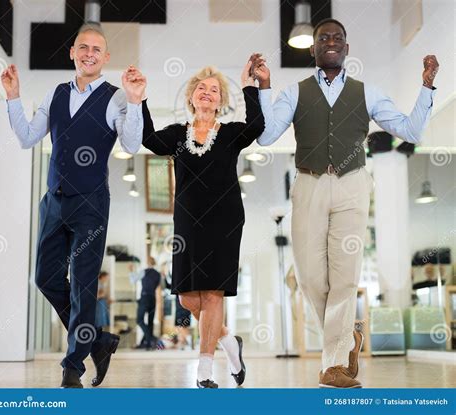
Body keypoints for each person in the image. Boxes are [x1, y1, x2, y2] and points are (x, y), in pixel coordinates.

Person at [251, 19, 439, 388]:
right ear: (314, 49)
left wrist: (427, 86)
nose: (331, 42)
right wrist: (265, 88)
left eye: (338, 38)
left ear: (347, 49)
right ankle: (347, 336)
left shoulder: (367, 93)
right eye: (324, 38)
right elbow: (267, 136)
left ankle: (333, 364)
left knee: (344, 277)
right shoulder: (294, 92)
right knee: (308, 278)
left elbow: (411, 131)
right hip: (308, 185)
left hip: (353, 184)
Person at [0, 24, 145, 388]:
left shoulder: (114, 98)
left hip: (91, 203)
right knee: (45, 278)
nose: (89, 53)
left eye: (97, 49)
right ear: (72, 52)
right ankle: (96, 341)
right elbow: (28, 138)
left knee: (83, 286)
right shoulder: (55, 94)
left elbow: (130, 145)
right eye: (83, 47)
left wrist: (136, 100)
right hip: (54, 200)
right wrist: (14, 97)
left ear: (105, 58)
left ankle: (73, 366)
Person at [126, 60, 264, 387]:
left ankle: (205, 370)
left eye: (214, 90)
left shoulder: (230, 134)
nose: (207, 93)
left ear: (220, 101)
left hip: (225, 220)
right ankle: (229, 341)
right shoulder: (177, 135)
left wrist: (248, 85)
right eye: (201, 88)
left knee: (213, 294)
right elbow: (148, 139)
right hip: (187, 221)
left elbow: (257, 125)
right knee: (188, 298)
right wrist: (140, 99)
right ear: (191, 97)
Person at [130, 257, 161, 350]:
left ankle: (151, 339)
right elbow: (160, 286)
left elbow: (133, 280)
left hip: (144, 298)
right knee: (150, 322)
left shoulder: (144, 271)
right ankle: (147, 344)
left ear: (147, 262)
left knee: (139, 320)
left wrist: (131, 270)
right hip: (153, 298)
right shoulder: (158, 274)